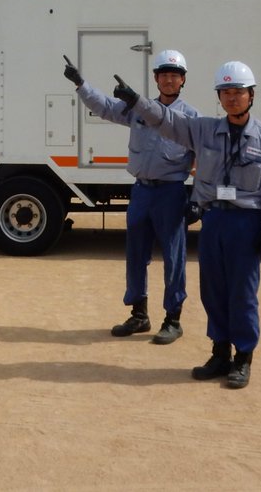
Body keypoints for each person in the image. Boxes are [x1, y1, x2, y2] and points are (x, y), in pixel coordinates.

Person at [112, 60, 261, 388]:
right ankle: (219, 353)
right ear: (219, 98)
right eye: (226, 93)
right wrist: (137, 101)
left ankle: (243, 357)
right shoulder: (203, 129)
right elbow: (166, 120)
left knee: (242, 293)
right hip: (213, 220)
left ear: (251, 95)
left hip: (246, 222)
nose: (232, 98)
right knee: (213, 290)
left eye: (238, 92)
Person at [63, 50, 198, 344]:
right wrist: (81, 84)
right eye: (164, 75)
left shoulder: (191, 118)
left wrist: (198, 197)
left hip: (171, 193)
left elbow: (204, 159)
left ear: (183, 80)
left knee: (173, 257)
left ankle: (173, 320)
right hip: (142, 191)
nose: (169, 80)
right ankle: (139, 314)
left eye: (174, 75)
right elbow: (106, 107)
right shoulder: (138, 110)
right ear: (156, 78)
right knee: (135, 253)